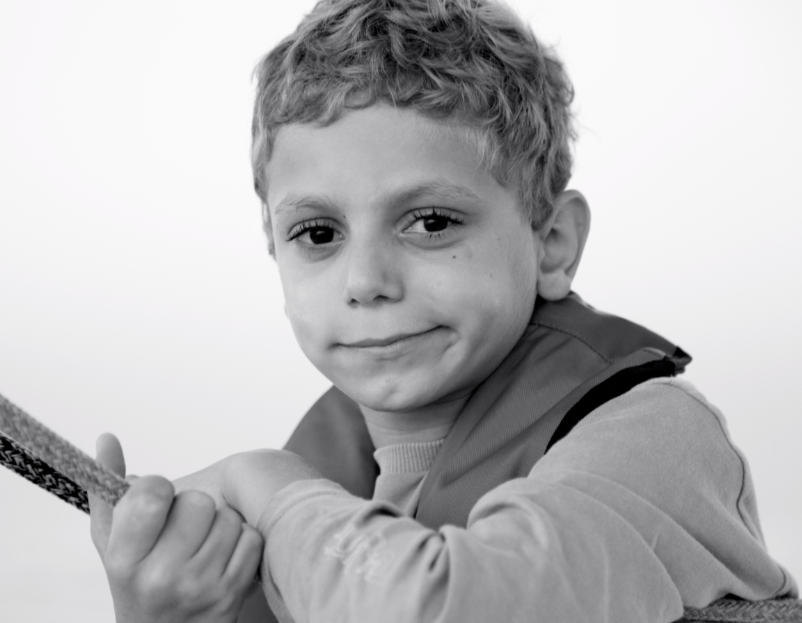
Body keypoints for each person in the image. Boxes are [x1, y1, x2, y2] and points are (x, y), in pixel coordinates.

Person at [88, 1, 798, 621]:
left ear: (551, 243)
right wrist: (159, 612)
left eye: (430, 222)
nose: (365, 281)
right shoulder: (326, 496)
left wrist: (269, 488)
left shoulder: (654, 440)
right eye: (318, 234)